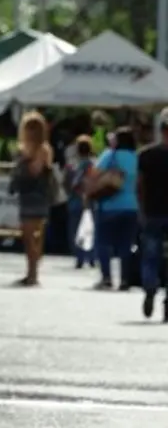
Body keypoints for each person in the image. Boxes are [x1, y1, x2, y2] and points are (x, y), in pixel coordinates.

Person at [88, 126, 139, 291]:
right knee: (126, 244)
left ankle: (106, 277)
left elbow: (94, 174)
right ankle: (125, 279)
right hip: (132, 205)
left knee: (103, 242)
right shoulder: (137, 158)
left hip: (109, 204)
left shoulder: (110, 155)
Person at [10, 111, 53, 287]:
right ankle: (31, 271)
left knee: (32, 237)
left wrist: (25, 159)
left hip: (37, 196)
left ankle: (33, 273)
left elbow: (35, 171)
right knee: (28, 237)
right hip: (27, 195)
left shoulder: (43, 149)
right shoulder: (25, 148)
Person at [138, 112, 168, 319]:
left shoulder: (146, 155)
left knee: (150, 256)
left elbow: (140, 186)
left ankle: (150, 288)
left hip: (152, 212)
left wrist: (141, 209)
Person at [65, 135, 97, 269]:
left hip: (75, 202)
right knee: (91, 230)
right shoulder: (96, 164)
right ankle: (91, 257)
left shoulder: (72, 166)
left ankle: (79, 257)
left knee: (76, 230)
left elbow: (67, 183)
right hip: (92, 202)